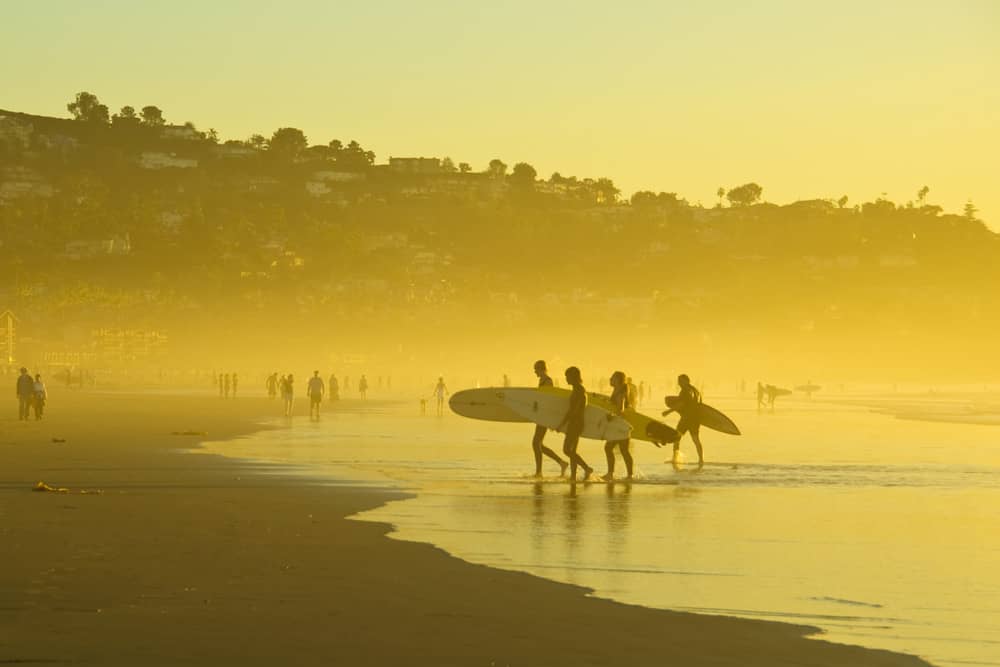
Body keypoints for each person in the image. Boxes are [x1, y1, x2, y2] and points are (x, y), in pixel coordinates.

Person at [530, 360, 568, 477]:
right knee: (538, 443)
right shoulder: (542, 380)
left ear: (541, 369)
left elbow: (549, 400)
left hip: (545, 416)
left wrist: (550, 419)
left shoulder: (547, 381)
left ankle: (539, 472)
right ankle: (561, 463)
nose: (535, 372)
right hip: (541, 416)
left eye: (536, 369)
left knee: (536, 443)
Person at [556, 366, 593, 481]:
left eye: (567, 376)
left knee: (567, 450)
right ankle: (573, 476)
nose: (566, 379)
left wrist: (562, 424)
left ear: (574, 377)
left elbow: (574, 410)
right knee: (572, 451)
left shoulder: (579, 390)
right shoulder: (577, 389)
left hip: (576, 423)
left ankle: (587, 468)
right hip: (575, 422)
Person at [663, 373, 704, 467]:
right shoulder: (695, 390)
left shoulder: (684, 391)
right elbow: (700, 405)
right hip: (695, 419)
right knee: (696, 439)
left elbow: (681, 404)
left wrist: (668, 411)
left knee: (676, 438)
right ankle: (701, 460)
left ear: (685, 381)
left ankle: (675, 459)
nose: (678, 383)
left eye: (680, 381)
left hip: (686, 419)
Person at [602, 371, 633, 480]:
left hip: (620, 424)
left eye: (612, 378)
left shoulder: (620, 392)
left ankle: (611, 473)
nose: (610, 379)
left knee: (609, 448)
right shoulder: (619, 390)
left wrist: (612, 415)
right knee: (624, 450)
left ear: (618, 380)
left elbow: (621, 408)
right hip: (622, 424)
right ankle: (629, 475)